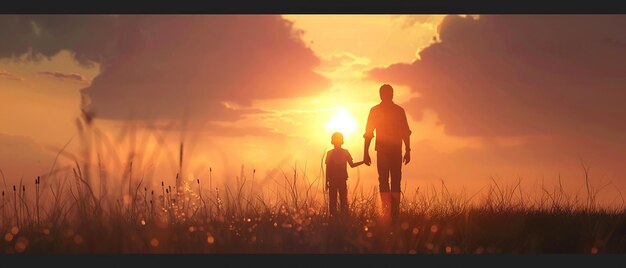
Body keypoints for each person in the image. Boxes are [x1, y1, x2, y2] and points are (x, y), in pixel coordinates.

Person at [363, 84, 412, 220]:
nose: (384, 96)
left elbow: (405, 133)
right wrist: (365, 152)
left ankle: (393, 212)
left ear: (391, 95)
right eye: (383, 93)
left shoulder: (398, 111)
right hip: (385, 151)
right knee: (386, 180)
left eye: (386, 93)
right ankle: (388, 211)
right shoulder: (376, 111)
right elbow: (369, 133)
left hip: (394, 151)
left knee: (393, 180)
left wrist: (408, 150)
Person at [325, 132, 365, 217]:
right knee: (334, 201)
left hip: (341, 180)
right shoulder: (331, 153)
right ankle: (335, 218)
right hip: (334, 180)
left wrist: (363, 162)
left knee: (341, 200)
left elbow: (352, 165)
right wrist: (326, 182)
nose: (337, 142)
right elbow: (327, 169)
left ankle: (340, 218)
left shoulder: (343, 152)